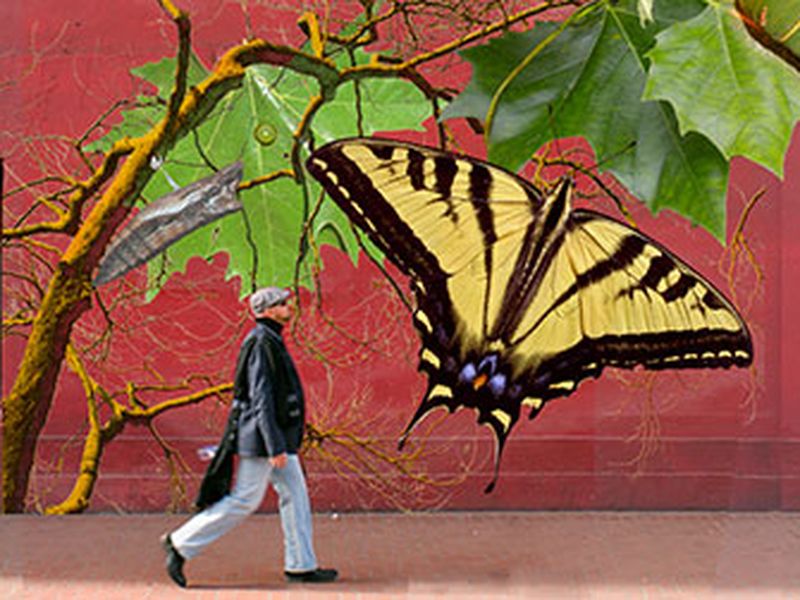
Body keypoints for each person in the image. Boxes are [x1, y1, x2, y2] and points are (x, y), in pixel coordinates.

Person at [160, 287, 338, 587]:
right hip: (264, 440)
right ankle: (179, 543)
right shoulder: (260, 343)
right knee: (244, 499)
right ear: (267, 311)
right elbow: (261, 397)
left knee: (295, 496)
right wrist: (274, 446)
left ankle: (301, 565)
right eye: (281, 304)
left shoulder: (270, 339)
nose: (287, 307)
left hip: (275, 437)